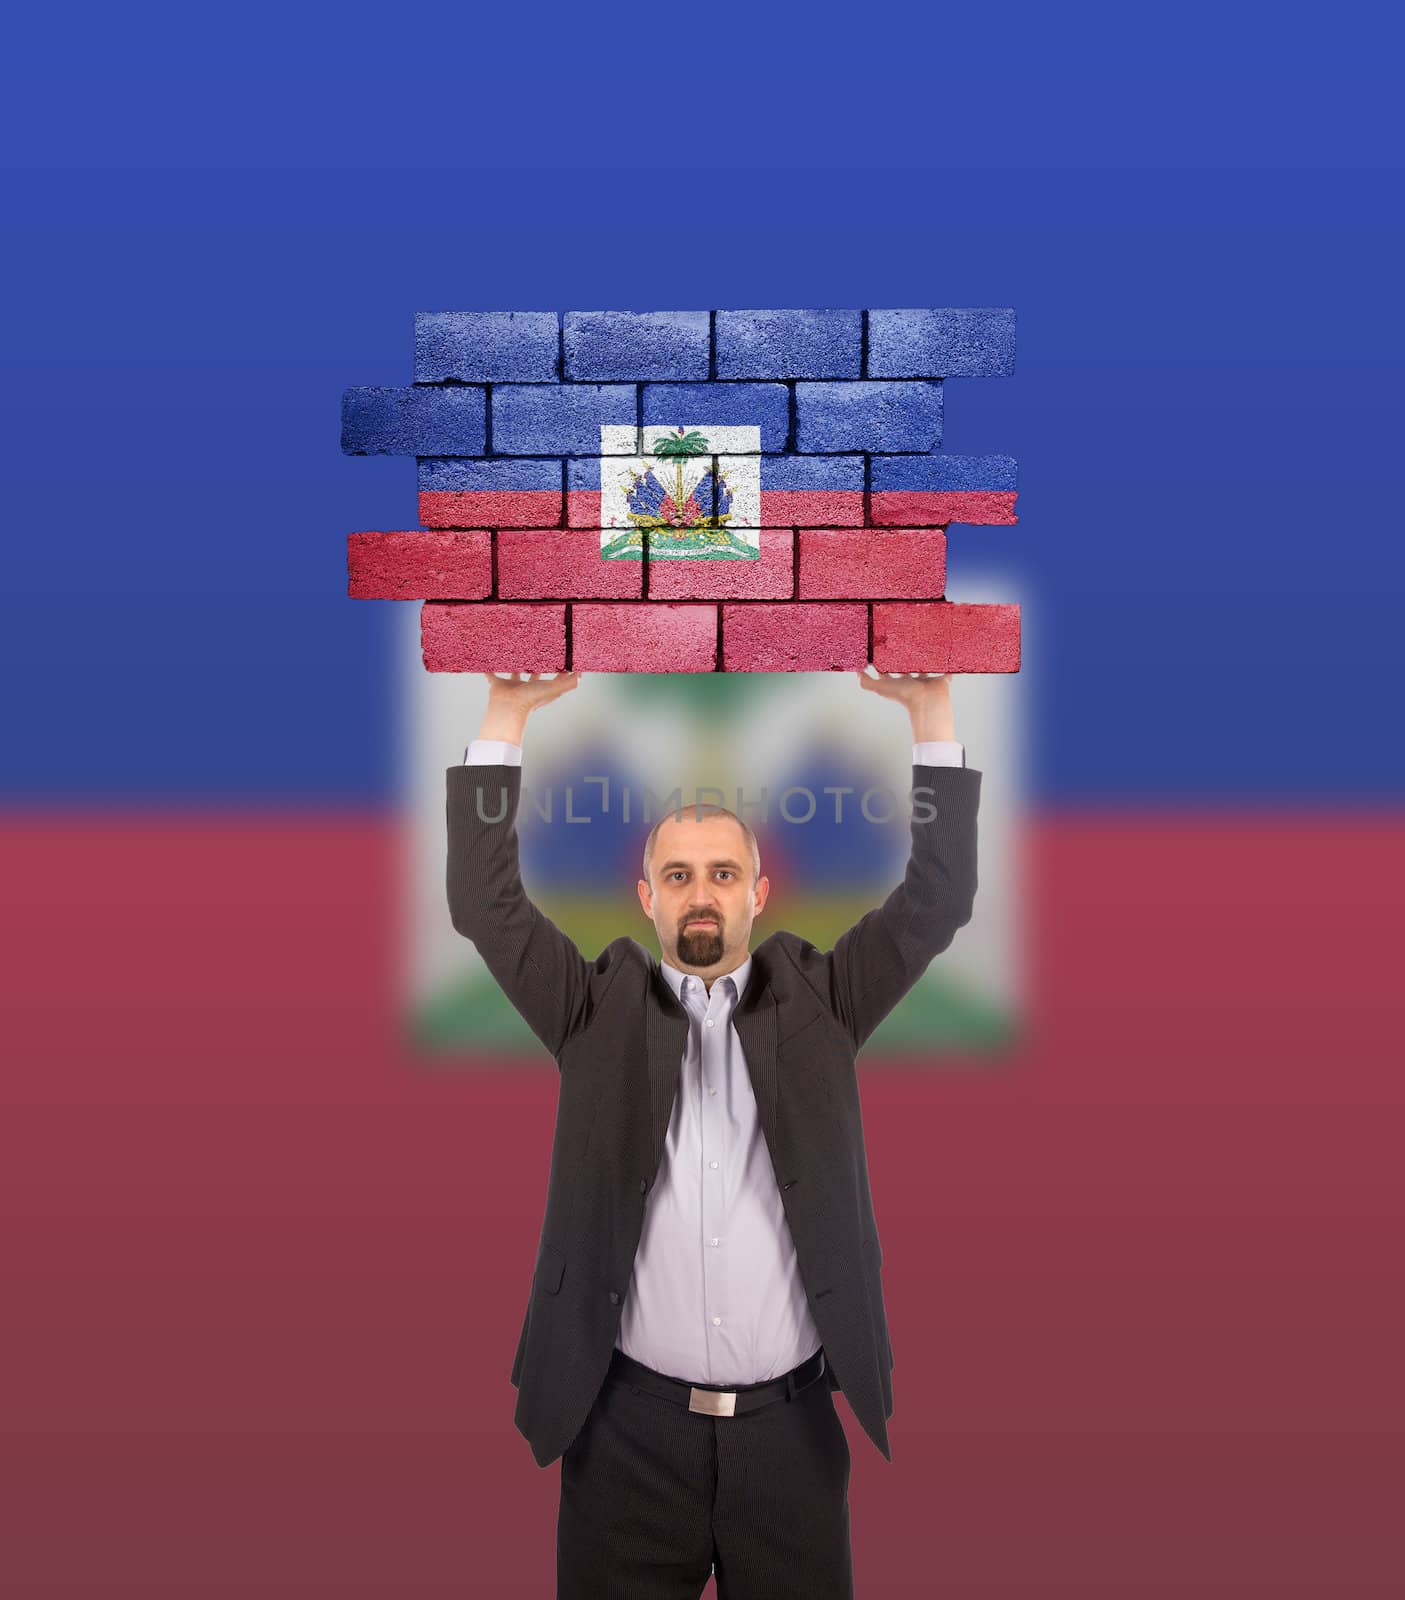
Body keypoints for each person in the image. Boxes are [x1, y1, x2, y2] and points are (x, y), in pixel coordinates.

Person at [447, 667, 982, 1598]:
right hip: (622, 1435)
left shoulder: (826, 997)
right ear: (645, 895)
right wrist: (506, 712)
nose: (703, 894)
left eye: (723, 875)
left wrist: (930, 711)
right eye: (679, 875)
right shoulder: (589, 1008)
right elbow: (484, 906)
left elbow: (936, 901)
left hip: (793, 1440)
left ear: (759, 894)